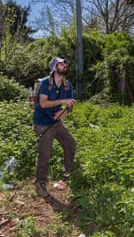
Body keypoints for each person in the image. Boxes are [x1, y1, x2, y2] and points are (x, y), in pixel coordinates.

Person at [33, 57, 77, 198]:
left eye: (65, 63)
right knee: (45, 154)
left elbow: (70, 104)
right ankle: (40, 183)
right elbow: (43, 104)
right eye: (61, 63)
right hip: (42, 123)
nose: (64, 65)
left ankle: (67, 173)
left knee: (70, 144)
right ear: (54, 67)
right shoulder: (45, 83)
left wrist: (63, 112)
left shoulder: (67, 85)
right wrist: (62, 101)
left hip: (56, 123)